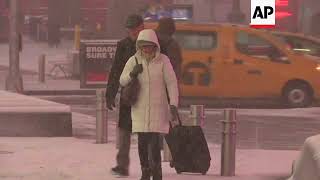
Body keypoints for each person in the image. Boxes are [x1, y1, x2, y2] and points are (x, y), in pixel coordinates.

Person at [119, 29, 179, 180]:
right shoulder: (134, 60)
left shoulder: (163, 61)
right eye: (143, 46)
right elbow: (122, 80)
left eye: (149, 46)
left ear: (155, 46)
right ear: (139, 46)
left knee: (154, 143)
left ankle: (157, 173)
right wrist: (132, 73)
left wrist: (173, 104)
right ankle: (145, 171)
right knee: (142, 143)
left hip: (158, 109)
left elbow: (171, 83)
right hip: (139, 109)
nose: (146, 49)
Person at [105, 14, 144, 177]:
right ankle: (122, 165)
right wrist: (110, 93)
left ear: (142, 26)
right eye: (130, 28)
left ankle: (148, 166)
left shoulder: (153, 43)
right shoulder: (123, 45)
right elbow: (116, 70)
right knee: (124, 130)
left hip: (147, 95)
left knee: (146, 132)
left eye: (135, 28)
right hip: (128, 94)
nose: (132, 31)